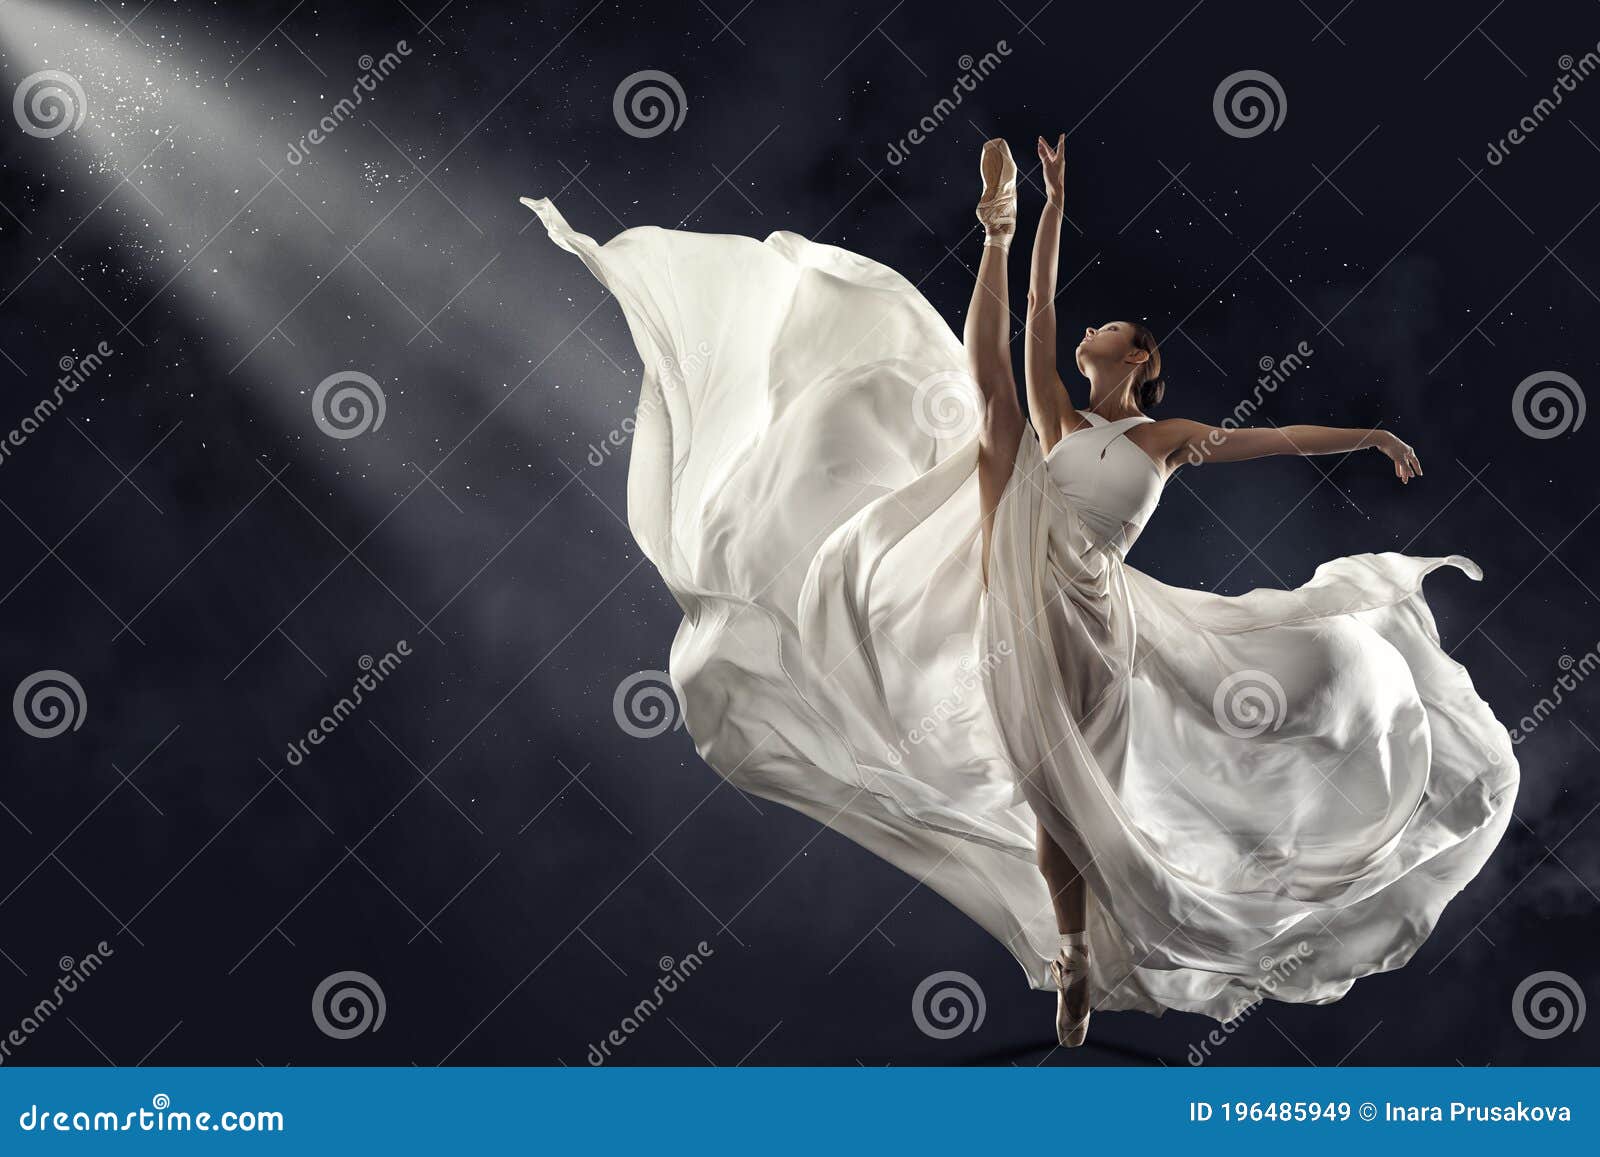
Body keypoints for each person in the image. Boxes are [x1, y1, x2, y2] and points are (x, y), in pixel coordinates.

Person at [522, 136, 1517, 1050]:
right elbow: (1027, 327)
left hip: (1092, 609)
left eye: (1116, 328)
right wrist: (1030, 215)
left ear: (1141, 361)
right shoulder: (1056, 410)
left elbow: (1274, 438)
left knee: (1073, 784)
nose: (1097, 326)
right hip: (1014, 579)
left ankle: (1099, 941)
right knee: (995, 420)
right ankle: (1073, 956)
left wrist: (1365, 437)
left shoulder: (1161, 441)